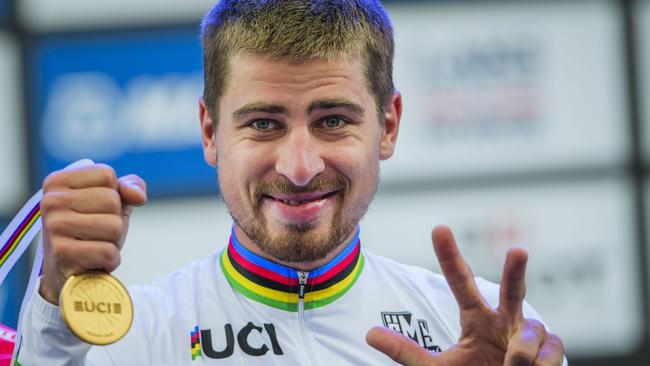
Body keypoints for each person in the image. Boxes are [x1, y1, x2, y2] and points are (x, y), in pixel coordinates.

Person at [17, 0, 566, 365]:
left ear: (388, 125)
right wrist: (51, 307)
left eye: (332, 120)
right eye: (263, 123)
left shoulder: (499, 337)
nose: (299, 168)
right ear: (210, 133)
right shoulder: (130, 340)